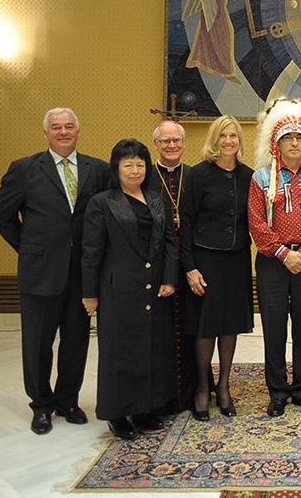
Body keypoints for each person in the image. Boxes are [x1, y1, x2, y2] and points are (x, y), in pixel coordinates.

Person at [0, 108, 110, 435]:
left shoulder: (97, 169)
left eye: (69, 127)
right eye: (56, 128)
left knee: (76, 342)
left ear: (78, 132)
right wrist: (28, 247)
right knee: (38, 344)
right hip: (39, 274)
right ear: (46, 134)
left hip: (82, 276)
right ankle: (41, 405)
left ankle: (68, 401)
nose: (63, 132)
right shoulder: (24, 169)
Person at [81, 139, 178, 440]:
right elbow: (91, 251)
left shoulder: (157, 199)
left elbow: (171, 244)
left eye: (140, 164)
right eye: (128, 164)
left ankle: (144, 409)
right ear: (116, 168)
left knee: (150, 351)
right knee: (119, 354)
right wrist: (89, 293)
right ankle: (116, 414)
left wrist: (170, 279)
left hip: (155, 290)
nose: (135, 170)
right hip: (118, 291)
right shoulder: (102, 202)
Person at [248, 99, 301, 417]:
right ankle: (278, 392)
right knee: (273, 327)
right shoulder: (261, 178)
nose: (294, 142)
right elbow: (256, 222)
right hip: (273, 261)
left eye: (300, 137)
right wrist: (284, 253)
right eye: (288, 137)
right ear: (277, 142)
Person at [180, 115, 254, 421]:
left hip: (236, 259)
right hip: (205, 260)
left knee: (230, 324)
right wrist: (190, 268)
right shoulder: (198, 175)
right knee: (206, 326)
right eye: (223, 136)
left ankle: (224, 388)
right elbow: (184, 223)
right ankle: (202, 387)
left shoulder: (250, 176)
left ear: (239, 141)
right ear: (214, 140)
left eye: (233, 136)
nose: (228, 141)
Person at [143, 120, 198, 414]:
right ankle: (162, 394)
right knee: (161, 331)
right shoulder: (145, 176)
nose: (172, 146)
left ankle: (191, 391)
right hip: (158, 264)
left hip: (189, 260)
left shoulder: (194, 175)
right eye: (165, 141)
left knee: (190, 328)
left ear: (184, 143)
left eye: (176, 140)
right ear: (156, 145)